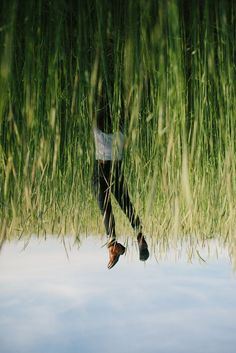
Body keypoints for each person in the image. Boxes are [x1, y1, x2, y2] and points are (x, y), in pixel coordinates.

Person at [92, 41, 149, 269]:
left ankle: (138, 236)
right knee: (101, 191)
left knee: (121, 200)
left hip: (117, 146)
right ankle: (108, 52)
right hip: (105, 147)